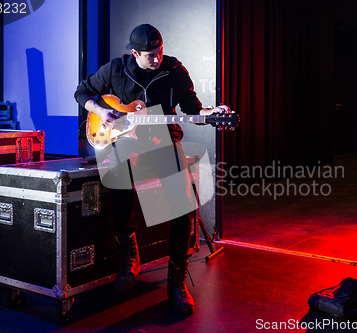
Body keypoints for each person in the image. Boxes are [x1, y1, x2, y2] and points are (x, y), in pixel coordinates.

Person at [74, 24, 230, 316]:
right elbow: (82, 92)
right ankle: (128, 260)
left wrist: (209, 115)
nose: (156, 59)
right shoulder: (116, 69)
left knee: (182, 208)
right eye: (149, 56)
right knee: (118, 184)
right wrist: (99, 110)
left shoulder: (173, 70)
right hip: (123, 141)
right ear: (135, 53)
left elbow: (192, 110)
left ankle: (177, 283)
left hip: (162, 139)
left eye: (158, 52)